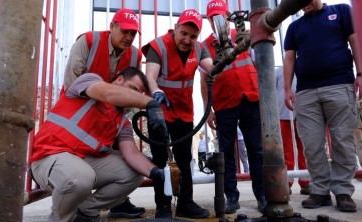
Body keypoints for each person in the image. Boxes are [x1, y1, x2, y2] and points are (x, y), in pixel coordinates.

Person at [29, 67, 168, 222]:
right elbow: (109, 93)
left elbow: (132, 155)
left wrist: (156, 172)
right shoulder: (89, 81)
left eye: (139, 94)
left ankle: (86, 212)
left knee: (134, 173)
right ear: (119, 79)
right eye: (133, 89)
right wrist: (150, 102)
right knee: (80, 178)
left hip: (81, 162)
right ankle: (59, 219)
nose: (134, 97)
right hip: (48, 157)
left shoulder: (122, 122)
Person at [61, 8, 146, 218]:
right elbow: (72, 83)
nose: (128, 38)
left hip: (111, 117)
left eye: (133, 34)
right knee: (79, 162)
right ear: (112, 27)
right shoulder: (88, 42)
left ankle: (117, 202)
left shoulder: (135, 55)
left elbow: (131, 88)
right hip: (80, 113)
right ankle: (73, 202)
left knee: (123, 155)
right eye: (124, 31)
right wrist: (106, 97)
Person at [283, 0, 362, 212]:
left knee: (342, 141)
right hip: (306, 92)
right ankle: (319, 190)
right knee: (311, 144)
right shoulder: (294, 27)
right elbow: (290, 59)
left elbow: (356, 42)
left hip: (340, 84)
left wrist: (361, 74)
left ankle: (343, 191)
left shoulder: (341, 11)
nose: (303, 5)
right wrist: (287, 89)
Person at [142, 8, 214, 219]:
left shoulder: (200, 48)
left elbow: (211, 68)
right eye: (184, 33)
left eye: (193, 36)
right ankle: (163, 206)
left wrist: (225, 58)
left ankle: (185, 203)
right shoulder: (159, 46)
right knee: (160, 158)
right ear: (175, 28)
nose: (187, 40)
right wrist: (155, 92)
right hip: (160, 111)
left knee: (184, 159)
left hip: (184, 112)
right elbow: (150, 77)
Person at [200, 0, 266, 214]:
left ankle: (263, 195)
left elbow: (259, 63)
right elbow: (204, 79)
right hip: (224, 102)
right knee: (226, 151)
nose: (216, 22)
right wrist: (208, 109)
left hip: (250, 97)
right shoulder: (204, 45)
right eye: (212, 18)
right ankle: (231, 197)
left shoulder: (243, 35)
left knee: (256, 150)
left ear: (228, 15)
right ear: (208, 20)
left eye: (220, 16)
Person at [275, 66, 310, 195]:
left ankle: (305, 182)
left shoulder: (304, 67)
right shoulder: (278, 71)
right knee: (286, 151)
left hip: (303, 114)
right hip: (283, 115)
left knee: (305, 149)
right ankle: (286, 183)